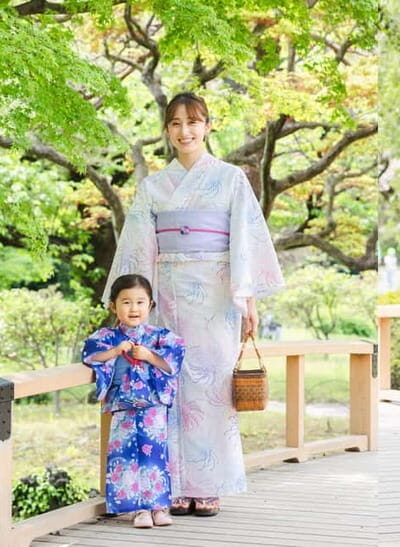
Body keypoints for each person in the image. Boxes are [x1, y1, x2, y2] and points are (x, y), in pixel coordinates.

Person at [103, 92, 285, 517]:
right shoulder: (154, 186)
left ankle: (209, 485)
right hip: (165, 292)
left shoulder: (230, 179)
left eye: (193, 122)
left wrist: (248, 298)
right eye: (175, 124)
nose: (185, 131)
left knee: (212, 385)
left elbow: (245, 238)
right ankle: (174, 485)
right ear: (166, 131)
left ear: (207, 126)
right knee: (167, 384)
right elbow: (138, 248)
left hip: (217, 292)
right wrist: (134, 305)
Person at [83, 274, 186, 528]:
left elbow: (176, 355)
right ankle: (138, 509)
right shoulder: (107, 336)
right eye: (126, 302)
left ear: (150, 305)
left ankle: (159, 507)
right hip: (123, 406)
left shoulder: (159, 336)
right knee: (126, 457)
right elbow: (91, 355)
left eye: (140, 302)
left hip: (152, 406)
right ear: (113, 306)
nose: (134, 308)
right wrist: (116, 351)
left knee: (155, 457)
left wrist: (150, 355)